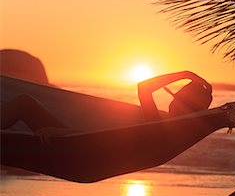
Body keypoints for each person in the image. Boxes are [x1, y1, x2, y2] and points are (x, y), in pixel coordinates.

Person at [1, 70, 213, 143]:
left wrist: (184, 74)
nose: (173, 98)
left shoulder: (159, 125)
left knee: (24, 103)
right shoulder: (171, 127)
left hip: (76, 148)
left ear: (184, 105)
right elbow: (115, 138)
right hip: (76, 141)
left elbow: (144, 87)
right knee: (25, 102)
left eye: (178, 96)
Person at [138, 71, 213, 121]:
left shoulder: (157, 124)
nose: (172, 103)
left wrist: (185, 74)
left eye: (175, 100)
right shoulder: (183, 130)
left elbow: (143, 87)